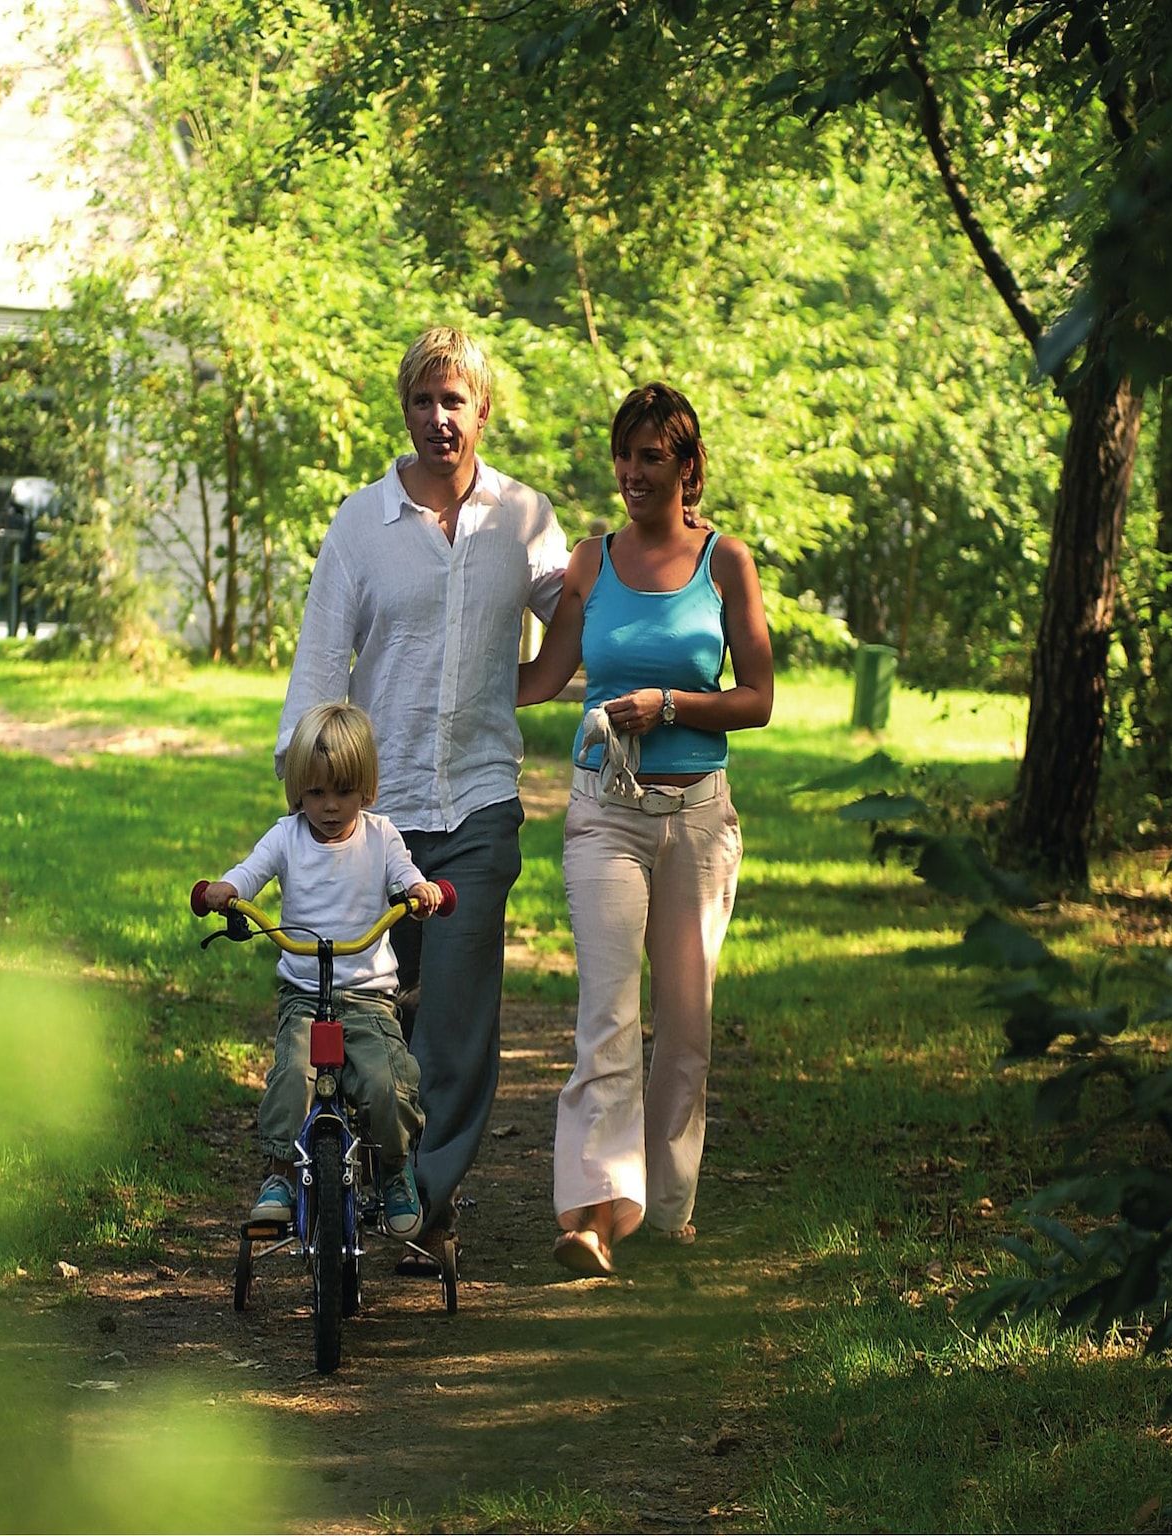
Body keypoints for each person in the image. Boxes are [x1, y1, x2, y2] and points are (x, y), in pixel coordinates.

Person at [277, 326, 569, 1241]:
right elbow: (322, 660)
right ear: (404, 410)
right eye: (423, 401)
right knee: (362, 1013)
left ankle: (421, 1209)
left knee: (454, 1024)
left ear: (484, 410)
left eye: (456, 402)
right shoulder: (362, 523)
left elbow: (586, 622)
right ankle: (349, 1174)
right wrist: (304, 791)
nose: (440, 419)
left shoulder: (525, 518)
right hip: (373, 811)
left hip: (480, 805)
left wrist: (655, 576)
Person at [517, 382, 774, 1277]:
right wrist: (438, 670)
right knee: (606, 1016)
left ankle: (666, 1205)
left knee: (688, 1025)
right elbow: (545, 677)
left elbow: (758, 700)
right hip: (605, 818)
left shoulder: (725, 563)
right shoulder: (590, 561)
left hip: (699, 821)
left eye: (650, 456)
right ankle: (592, 1212)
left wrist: (668, 704)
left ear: (687, 465)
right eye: (623, 455)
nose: (631, 472)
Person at [199, 702, 444, 1239]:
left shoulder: (381, 837)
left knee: (386, 1082)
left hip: (368, 998)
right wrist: (228, 891)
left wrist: (419, 890)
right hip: (304, 996)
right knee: (292, 1074)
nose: (330, 807)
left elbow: (406, 874)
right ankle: (281, 1174)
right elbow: (250, 870)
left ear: (367, 790)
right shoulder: (287, 837)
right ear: (297, 793)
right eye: (315, 794)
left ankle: (396, 1170)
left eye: (343, 792)